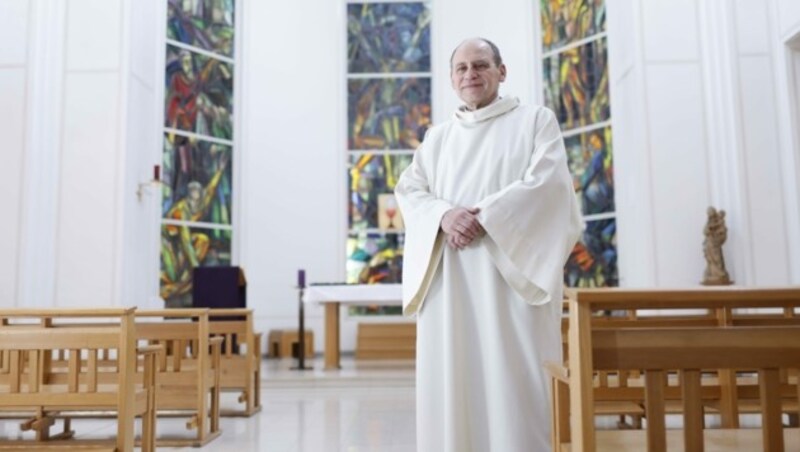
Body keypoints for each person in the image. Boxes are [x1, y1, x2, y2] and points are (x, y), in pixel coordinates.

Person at [395, 37, 583, 451]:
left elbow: (548, 185)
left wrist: (485, 219)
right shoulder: (438, 138)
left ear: (502, 71)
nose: (470, 74)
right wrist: (444, 216)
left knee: (515, 380)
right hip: (450, 281)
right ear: (450, 78)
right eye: (461, 68)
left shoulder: (535, 120)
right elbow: (409, 190)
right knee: (454, 378)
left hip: (512, 279)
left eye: (480, 65)